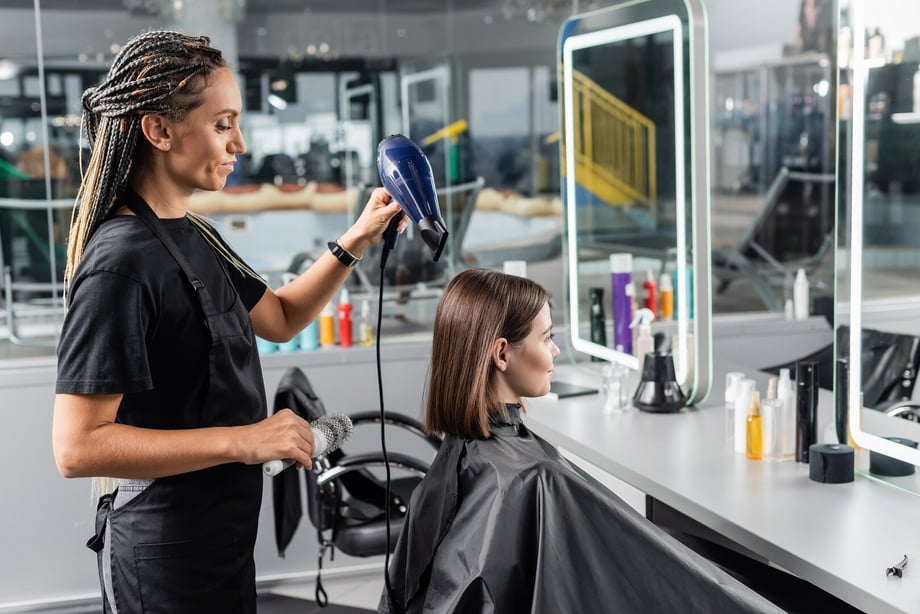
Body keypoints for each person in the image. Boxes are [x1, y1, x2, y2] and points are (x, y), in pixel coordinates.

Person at [50, 30, 404, 613]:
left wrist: (357, 238)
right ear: (159, 131)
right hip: (162, 553)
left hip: (222, 537)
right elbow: (77, 446)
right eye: (222, 125)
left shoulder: (195, 237)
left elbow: (283, 317)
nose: (239, 142)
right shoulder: (119, 263)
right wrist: (245, 440)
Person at [380, 268, 783, 614]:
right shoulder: (531, 477)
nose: (555, 350)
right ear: (502, 354)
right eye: (547, 337)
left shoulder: (463, 452)